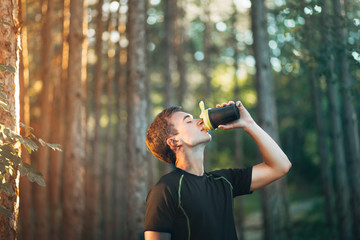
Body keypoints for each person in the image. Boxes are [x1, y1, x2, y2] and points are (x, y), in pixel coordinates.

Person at [144, 101, 291, 240]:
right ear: (174, 141)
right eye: (189, 121)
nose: (200, 120)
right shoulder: (165, 189)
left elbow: (280, 166)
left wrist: (249, 124)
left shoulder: (224, 181)